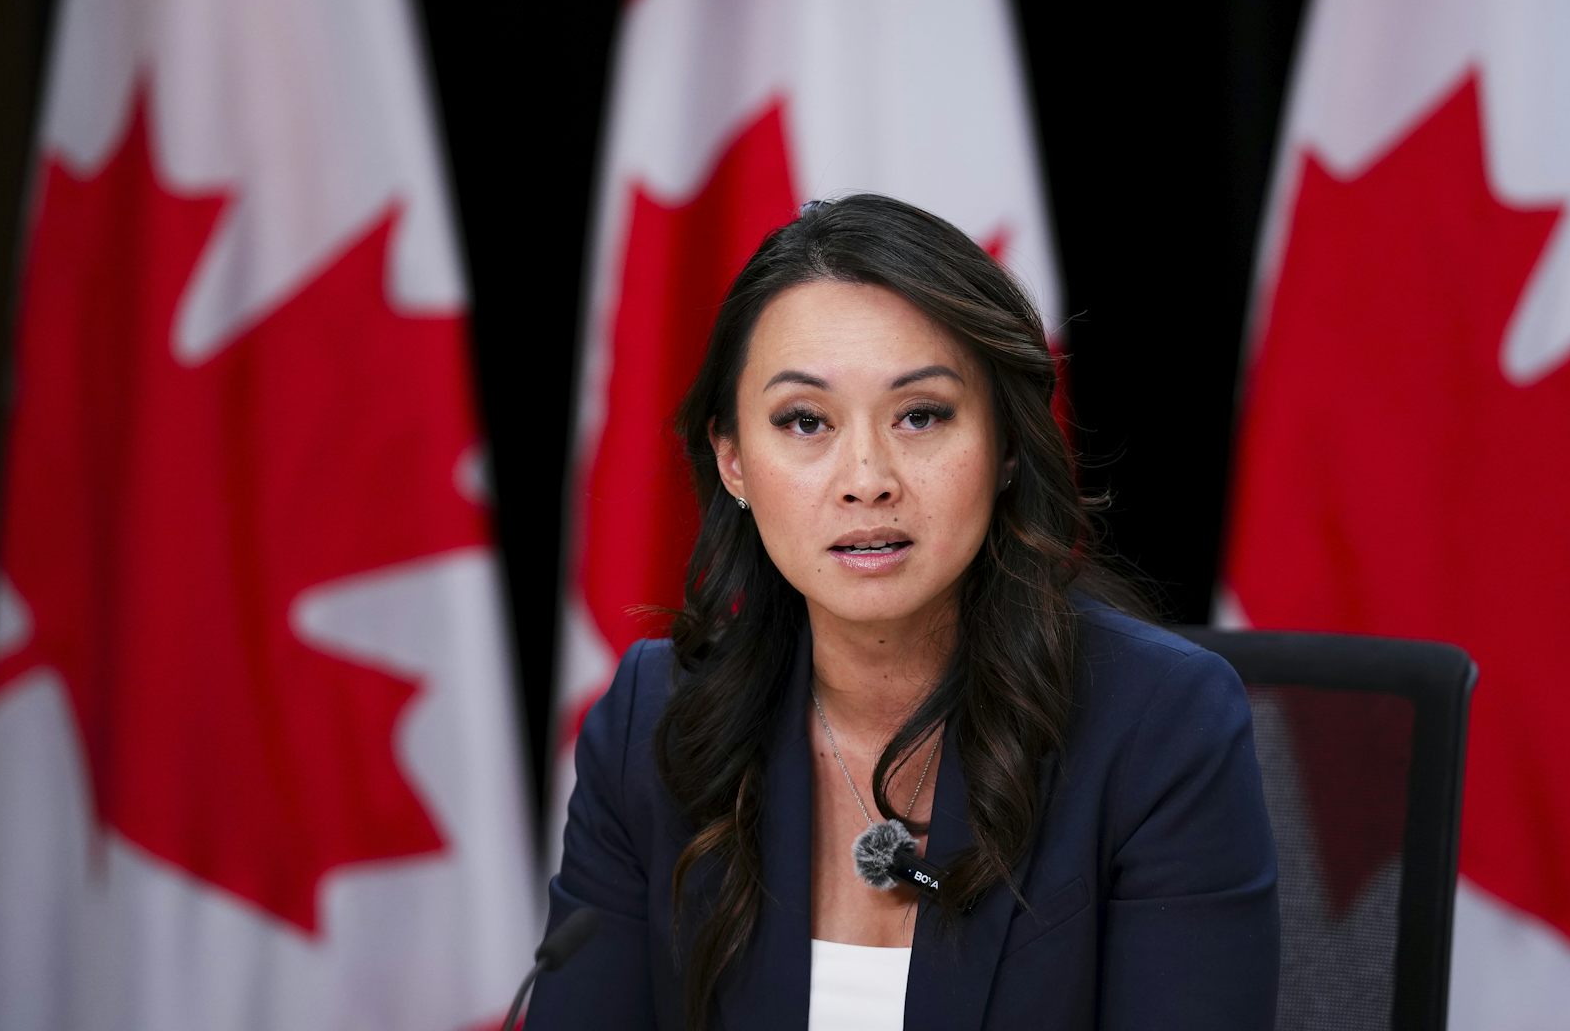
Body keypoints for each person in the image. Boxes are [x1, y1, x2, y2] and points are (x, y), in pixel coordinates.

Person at [536, 194, 1278, 1029]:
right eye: (805, 421)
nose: (867, 477)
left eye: (921, 415)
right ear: (734, 460)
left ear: (1004, 448)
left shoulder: (1159, 728)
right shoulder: (657, 723)